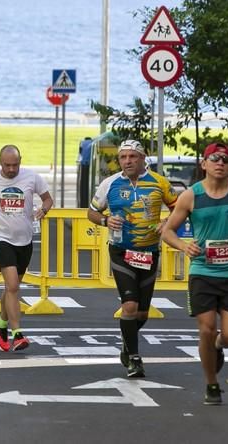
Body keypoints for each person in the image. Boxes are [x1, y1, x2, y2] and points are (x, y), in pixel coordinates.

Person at [161, 142, 228, 405]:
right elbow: (168, 231)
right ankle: (212, 384)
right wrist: (185, 245)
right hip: (202, 272)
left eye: (225, 160)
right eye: (214, 159)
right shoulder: (190, 196)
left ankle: (218, 347)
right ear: (204, 164)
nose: (220, 164)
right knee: (206, 329)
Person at [87, 139, 178, 377]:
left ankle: (127, 343)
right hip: (121, 251)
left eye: (132, 157)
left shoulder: (159, 182)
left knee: (142, 314)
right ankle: (135, 359)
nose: (127, 161)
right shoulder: (110, 183)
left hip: (149, 252)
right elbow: (92, 212)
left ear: (143, 158)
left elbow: (180, 207)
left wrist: (167, 222)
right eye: (123, 157)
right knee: (129, 305)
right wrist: (106, 220)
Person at [0, 145, 53, 352]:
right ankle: (17, 334)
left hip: (24, 240)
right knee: (13, 286)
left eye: (15, 165)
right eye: (7, 165)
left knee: (11, 288)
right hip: (0, 237)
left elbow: (47, 198)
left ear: (20, 161)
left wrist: (43, 209)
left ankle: (0, 324)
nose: (11, 169)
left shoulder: (32, 177)